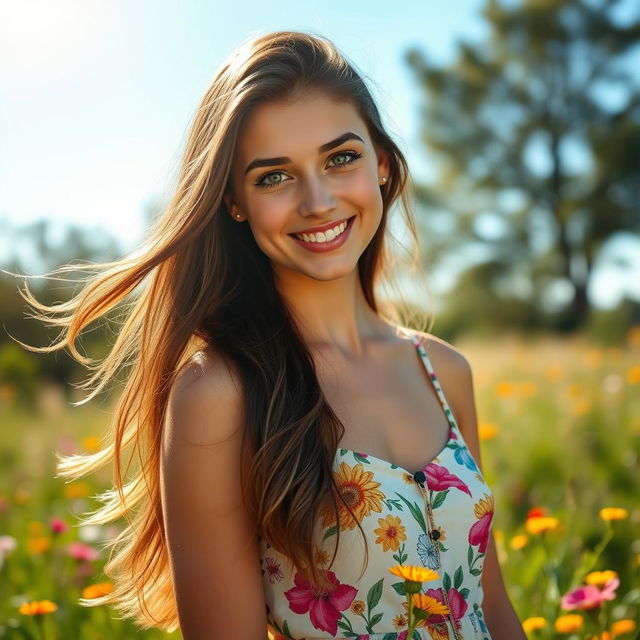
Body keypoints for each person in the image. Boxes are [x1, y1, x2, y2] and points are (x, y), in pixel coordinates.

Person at [18, 30, 525, 640]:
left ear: (382, 165)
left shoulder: (445, 371)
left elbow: (490, 607)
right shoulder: (219, 393)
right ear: (234, 200)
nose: (317, 201)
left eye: (341, 158)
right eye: (274, 177)